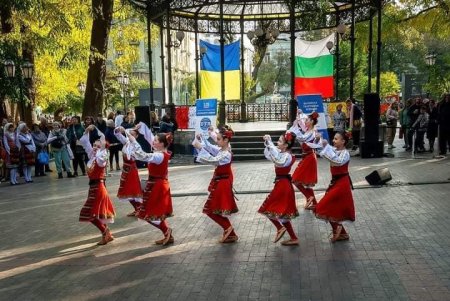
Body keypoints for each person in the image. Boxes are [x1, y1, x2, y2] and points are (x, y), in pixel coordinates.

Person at [192, 126, 239, 243]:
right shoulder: (221, 150)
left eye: (218, 139)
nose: (216, 141)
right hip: (220, 182)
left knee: (210, 209)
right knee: (214, 209)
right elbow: (210, 147)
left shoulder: (226, 154)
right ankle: (230, 233)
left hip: (222, 183)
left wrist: (200, 148)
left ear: (226, 140)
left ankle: (228, 228)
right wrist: (201, 140)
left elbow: (214, 160)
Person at [127, 130, 174, 246]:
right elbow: (148, 137)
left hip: (157, 186)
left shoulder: (159, 155)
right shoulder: (163, 153)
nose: (153, 142)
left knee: (150, 214)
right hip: (156, 184)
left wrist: (133, 140)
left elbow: (142, 155)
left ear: (162, 144)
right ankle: (167, 233)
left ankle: (167, 231)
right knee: (151, 213)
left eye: (156, 141)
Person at [258, 132, 299, 246]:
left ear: (286, 145)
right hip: (281, 184)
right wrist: (268, 142)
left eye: (280, 141)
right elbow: (271, 154)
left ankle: (279, 228)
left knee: (267, 208)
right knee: (281, 214)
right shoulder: (282, 153)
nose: (278, 143)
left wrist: (270, 144)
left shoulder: (287, 156)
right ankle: (293, 237)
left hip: (283, 185)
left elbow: (279, 161)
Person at [315, 132, 355, 242]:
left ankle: (338, 228)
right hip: (335, 182)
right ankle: (342, 233)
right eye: (334, 138)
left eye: (336, 139)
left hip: (342, 183)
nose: (334, 140)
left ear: (343, 141)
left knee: (324, 205)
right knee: (330, 207)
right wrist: (319, 140)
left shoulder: (345, 153)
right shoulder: (334, 150)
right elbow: (320, 151)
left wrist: (326, 147)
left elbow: (337, 161)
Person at [79, 125, 115, 245]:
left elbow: (103, 153)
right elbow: (84, 142)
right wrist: (87, 130)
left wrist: (102, 144)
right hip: (93, 188)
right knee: (96, 213)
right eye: (94, 145)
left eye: (97, 146)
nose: (94, 148)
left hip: (98, 188)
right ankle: (106, 233)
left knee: (90, 213)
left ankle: (105, 232)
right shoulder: (92, 156)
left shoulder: (101, 158)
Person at [288, 111, 322, 210]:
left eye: (307, 120)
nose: (305, 121)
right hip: (306, 157)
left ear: (311, 121)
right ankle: (314, 203)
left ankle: (309, 197)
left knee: (295, 180)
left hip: (309, 157)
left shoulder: (312, 132)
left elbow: (302, 138)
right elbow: (301, 125)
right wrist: (298, 116)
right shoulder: (308, 130)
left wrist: (295, 131)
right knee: (306, 183)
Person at [114, 124, 144, 217]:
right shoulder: (126, 141)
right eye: (129, 134)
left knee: (132, 190)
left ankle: (140, 208)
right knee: (126, 190)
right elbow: (117, 134)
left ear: (136, 136)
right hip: (126, 169)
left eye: (133, 135)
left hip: (131, 169)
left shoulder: (136, 145)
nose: (130, 136)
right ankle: (137, 209)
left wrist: (126, 131)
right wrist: (119, 128)